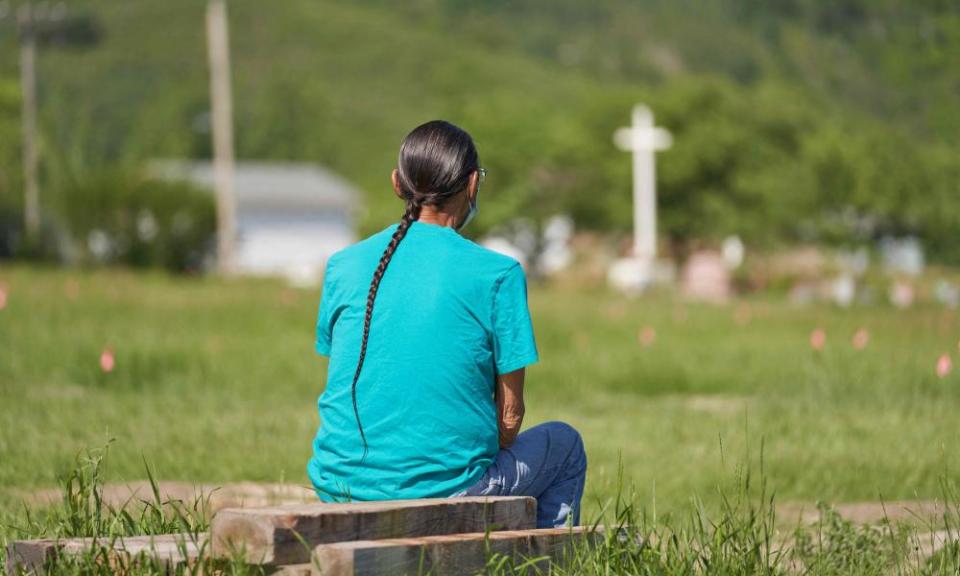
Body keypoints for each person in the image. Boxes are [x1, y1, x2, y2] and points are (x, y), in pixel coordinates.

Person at [307, 120, 586, 528]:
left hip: (337, 486)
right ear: (472, 184)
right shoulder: (498, 273)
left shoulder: (342, 265)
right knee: (565, 445)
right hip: (444, 491)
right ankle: (539, 562)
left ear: (396, 184)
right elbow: (509, 417)